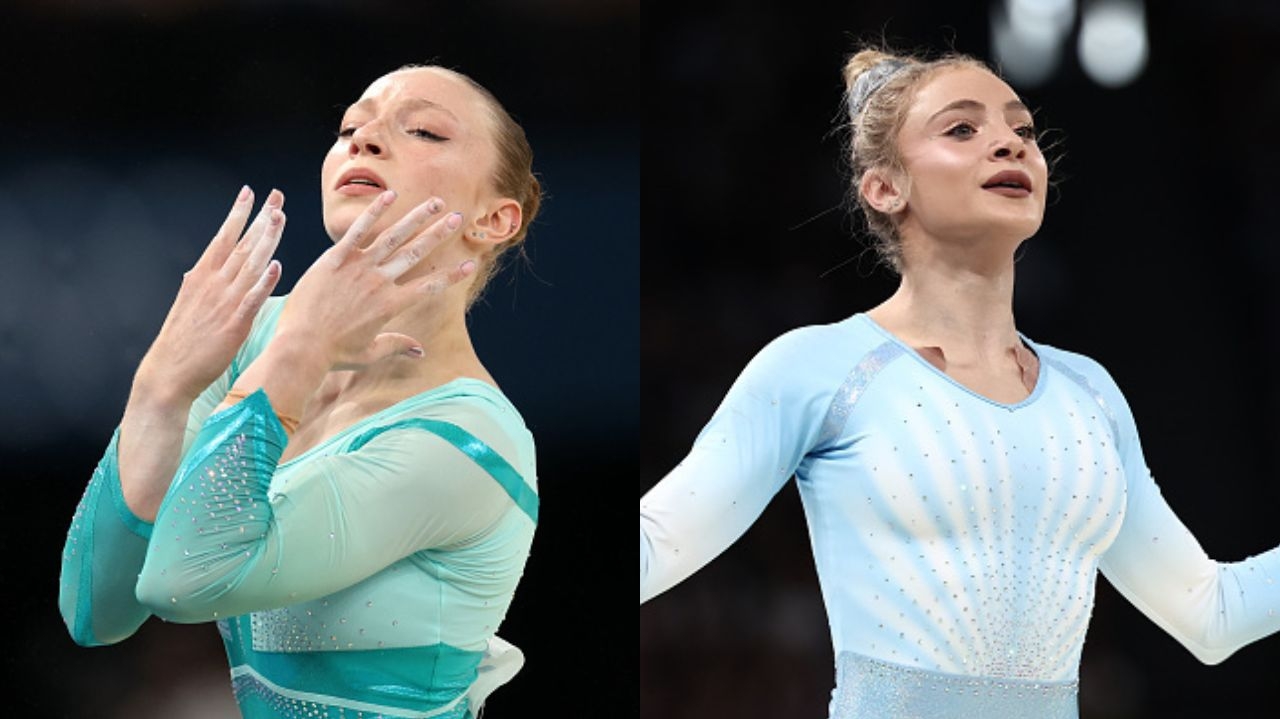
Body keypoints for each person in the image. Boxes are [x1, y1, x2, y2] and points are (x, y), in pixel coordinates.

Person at [639, 46, 1280, 719]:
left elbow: (1213, 614)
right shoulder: (820, 370)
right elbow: (655, 543)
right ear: (885, 186)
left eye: (1023, 130)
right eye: (963, 129)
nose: (1009, 143)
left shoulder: (1089, 394)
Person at [59, 64, 541, 719]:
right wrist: (159, 390)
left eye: (424, 130)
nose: (364, 139)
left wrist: (301, 346)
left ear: (494, 219)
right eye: (350, 127)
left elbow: (182, 581)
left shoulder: (471, 443)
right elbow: (96, 610)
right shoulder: (258, 338)